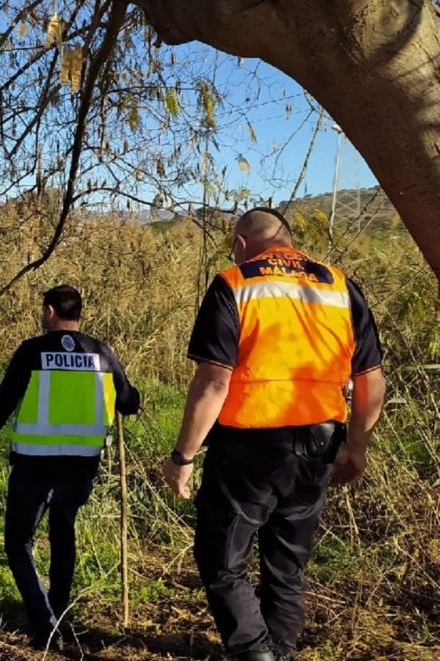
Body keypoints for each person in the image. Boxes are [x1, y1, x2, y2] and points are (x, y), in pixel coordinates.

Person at [162, 208, 386, 661]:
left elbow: (214, 381)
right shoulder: (340, 287)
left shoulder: (235, 283)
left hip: (251, 446)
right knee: (287, 563)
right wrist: (356, 448)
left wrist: (183, 456)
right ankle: (279, 651)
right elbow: (372, 380)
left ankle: (255, 653)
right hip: (321, 445)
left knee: (221, 560)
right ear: (287, 240)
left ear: (242, 243)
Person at [0, 284, 141, 648]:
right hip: (81, 467)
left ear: (49, 311)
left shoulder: (33, 351)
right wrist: (130, 394)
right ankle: (57, 611)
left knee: (18, 544)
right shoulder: (102, 353)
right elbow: (129, 402)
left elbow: (3, 402)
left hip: (35, 465)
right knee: (64, 533)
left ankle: (46, 623)